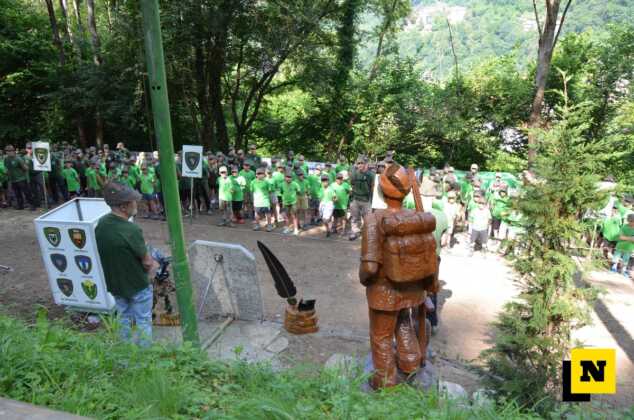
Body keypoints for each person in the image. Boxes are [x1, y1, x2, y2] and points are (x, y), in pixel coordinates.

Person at [96, 181, 154, 346]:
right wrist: (152, 268)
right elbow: (147, 262)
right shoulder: (131, 230)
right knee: (143, 320)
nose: (136, 204)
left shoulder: (102, 224)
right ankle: (145, 354)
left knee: (123, 318)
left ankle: (124, 351)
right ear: (123, 206)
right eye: (133, 201)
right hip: (137, 284)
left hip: (115, 284)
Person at [348, 156, 374, 241]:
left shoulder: (371, 174)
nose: (360, 165)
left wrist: (372, 200)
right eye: (358, 163)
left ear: (365, 164)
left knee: (367, 218)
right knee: (355, 217)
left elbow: (372, 187)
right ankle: (355, 232)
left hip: (366, 200)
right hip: (355, 199)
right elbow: (352, 184)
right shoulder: (354, 173)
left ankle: (366, 233)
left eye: (361, 163)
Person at [4, 145, 34, 210]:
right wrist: (6, 172)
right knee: (17, 194)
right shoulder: (6, 159)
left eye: (9, 151)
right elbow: (6, 168)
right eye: (7, 151)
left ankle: (32, 205)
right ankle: (20, 206)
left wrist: (23, 169)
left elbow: (26, 168)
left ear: (13, 151)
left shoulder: (18, 159)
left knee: (27, 193)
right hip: (13, 180)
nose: (8, 152)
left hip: (21, 179)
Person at [251, 167, 274, 231]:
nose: (259, 175)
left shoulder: (267, 182)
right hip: (257, 201)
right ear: (256, 175)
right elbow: (252, 191)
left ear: (264, 174)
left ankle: (269, 225)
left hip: (265, 201)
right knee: (257, 213)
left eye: (261, 173)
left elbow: (270, 190)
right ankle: (257, 225)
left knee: (268, 213)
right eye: (258, 174)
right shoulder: (253, 182)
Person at [280, 170, 301, 235]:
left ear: (292, 178)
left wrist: (296, 200)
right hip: (285, 202)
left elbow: (298, 192)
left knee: (294, 216)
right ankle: (288, 228)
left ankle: (296, 229)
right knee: (286, 216)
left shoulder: (295, 184)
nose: (288, 178)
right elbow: (281, 192)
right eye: (287, 177)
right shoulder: (282, 184)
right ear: (285, 177)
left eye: (290, 177)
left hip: (293, 202)